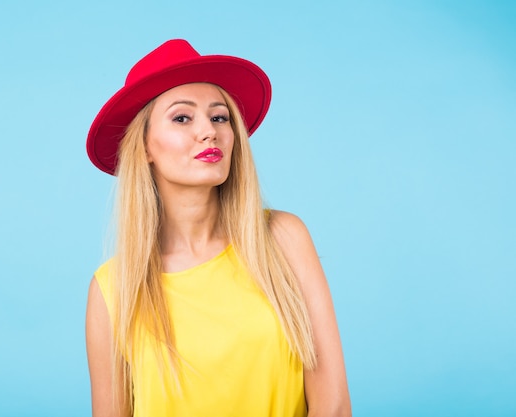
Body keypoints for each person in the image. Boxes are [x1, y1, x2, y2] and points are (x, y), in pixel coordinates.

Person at [85, 39, 351, 417]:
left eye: (219, 117)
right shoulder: (112, 289)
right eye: (182, 118)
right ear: (144, 146)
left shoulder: (283, 239)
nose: (208, 131)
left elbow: (335, 407)